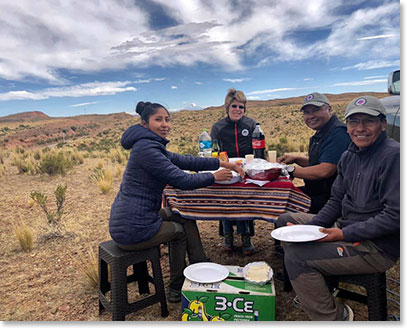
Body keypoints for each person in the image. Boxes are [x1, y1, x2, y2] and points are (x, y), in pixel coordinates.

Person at [275, 95, 400, 320]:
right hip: (346, 226)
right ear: (347, 125)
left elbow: (395, 217)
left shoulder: (394, 156)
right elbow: (336, 200)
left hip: (375, 246)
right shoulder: (349, 155)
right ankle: (318, 288)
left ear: (383, 124)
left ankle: (336, 317)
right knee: (286, 223)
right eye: (354, 122)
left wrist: (342, 234)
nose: (360, 128)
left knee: (295, 256)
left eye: (368, 121)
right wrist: (310, 229)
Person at [109, 101, 244, 303]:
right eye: (158, 119)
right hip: (133, 229)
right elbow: (182, 180)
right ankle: (176, 286)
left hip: (136, 218)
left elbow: (185, 160)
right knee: (178, 233)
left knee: (182, 214)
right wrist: (214, 177)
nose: (165, 124)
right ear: (144, 123)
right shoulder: (147, 149)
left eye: (167, 119)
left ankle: (199, 263)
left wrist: (221, 162)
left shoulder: (149, 144)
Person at [277, 92, 351, 214]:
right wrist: (297, 158)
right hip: (317, 192)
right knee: (282, 197)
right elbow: (319, 162)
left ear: (329, 109)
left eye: (315, 110)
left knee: (284, 205)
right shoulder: (321, 133)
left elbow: (325, 170)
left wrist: (289, 169)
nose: (310, 116)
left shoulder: (338, 133)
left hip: (331, 200)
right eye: (306, 112)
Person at [210, 88, 257, 255]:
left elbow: (258, 149)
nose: (238, 110)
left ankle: (246, 236)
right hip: (226, 169)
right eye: (234, 106)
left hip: (247, 169)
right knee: (225, 199)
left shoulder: (251, 124)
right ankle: (227, 235)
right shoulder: (218, 127)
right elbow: (213, 153)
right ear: (227, 108)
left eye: (241, 107)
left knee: (244, 199)